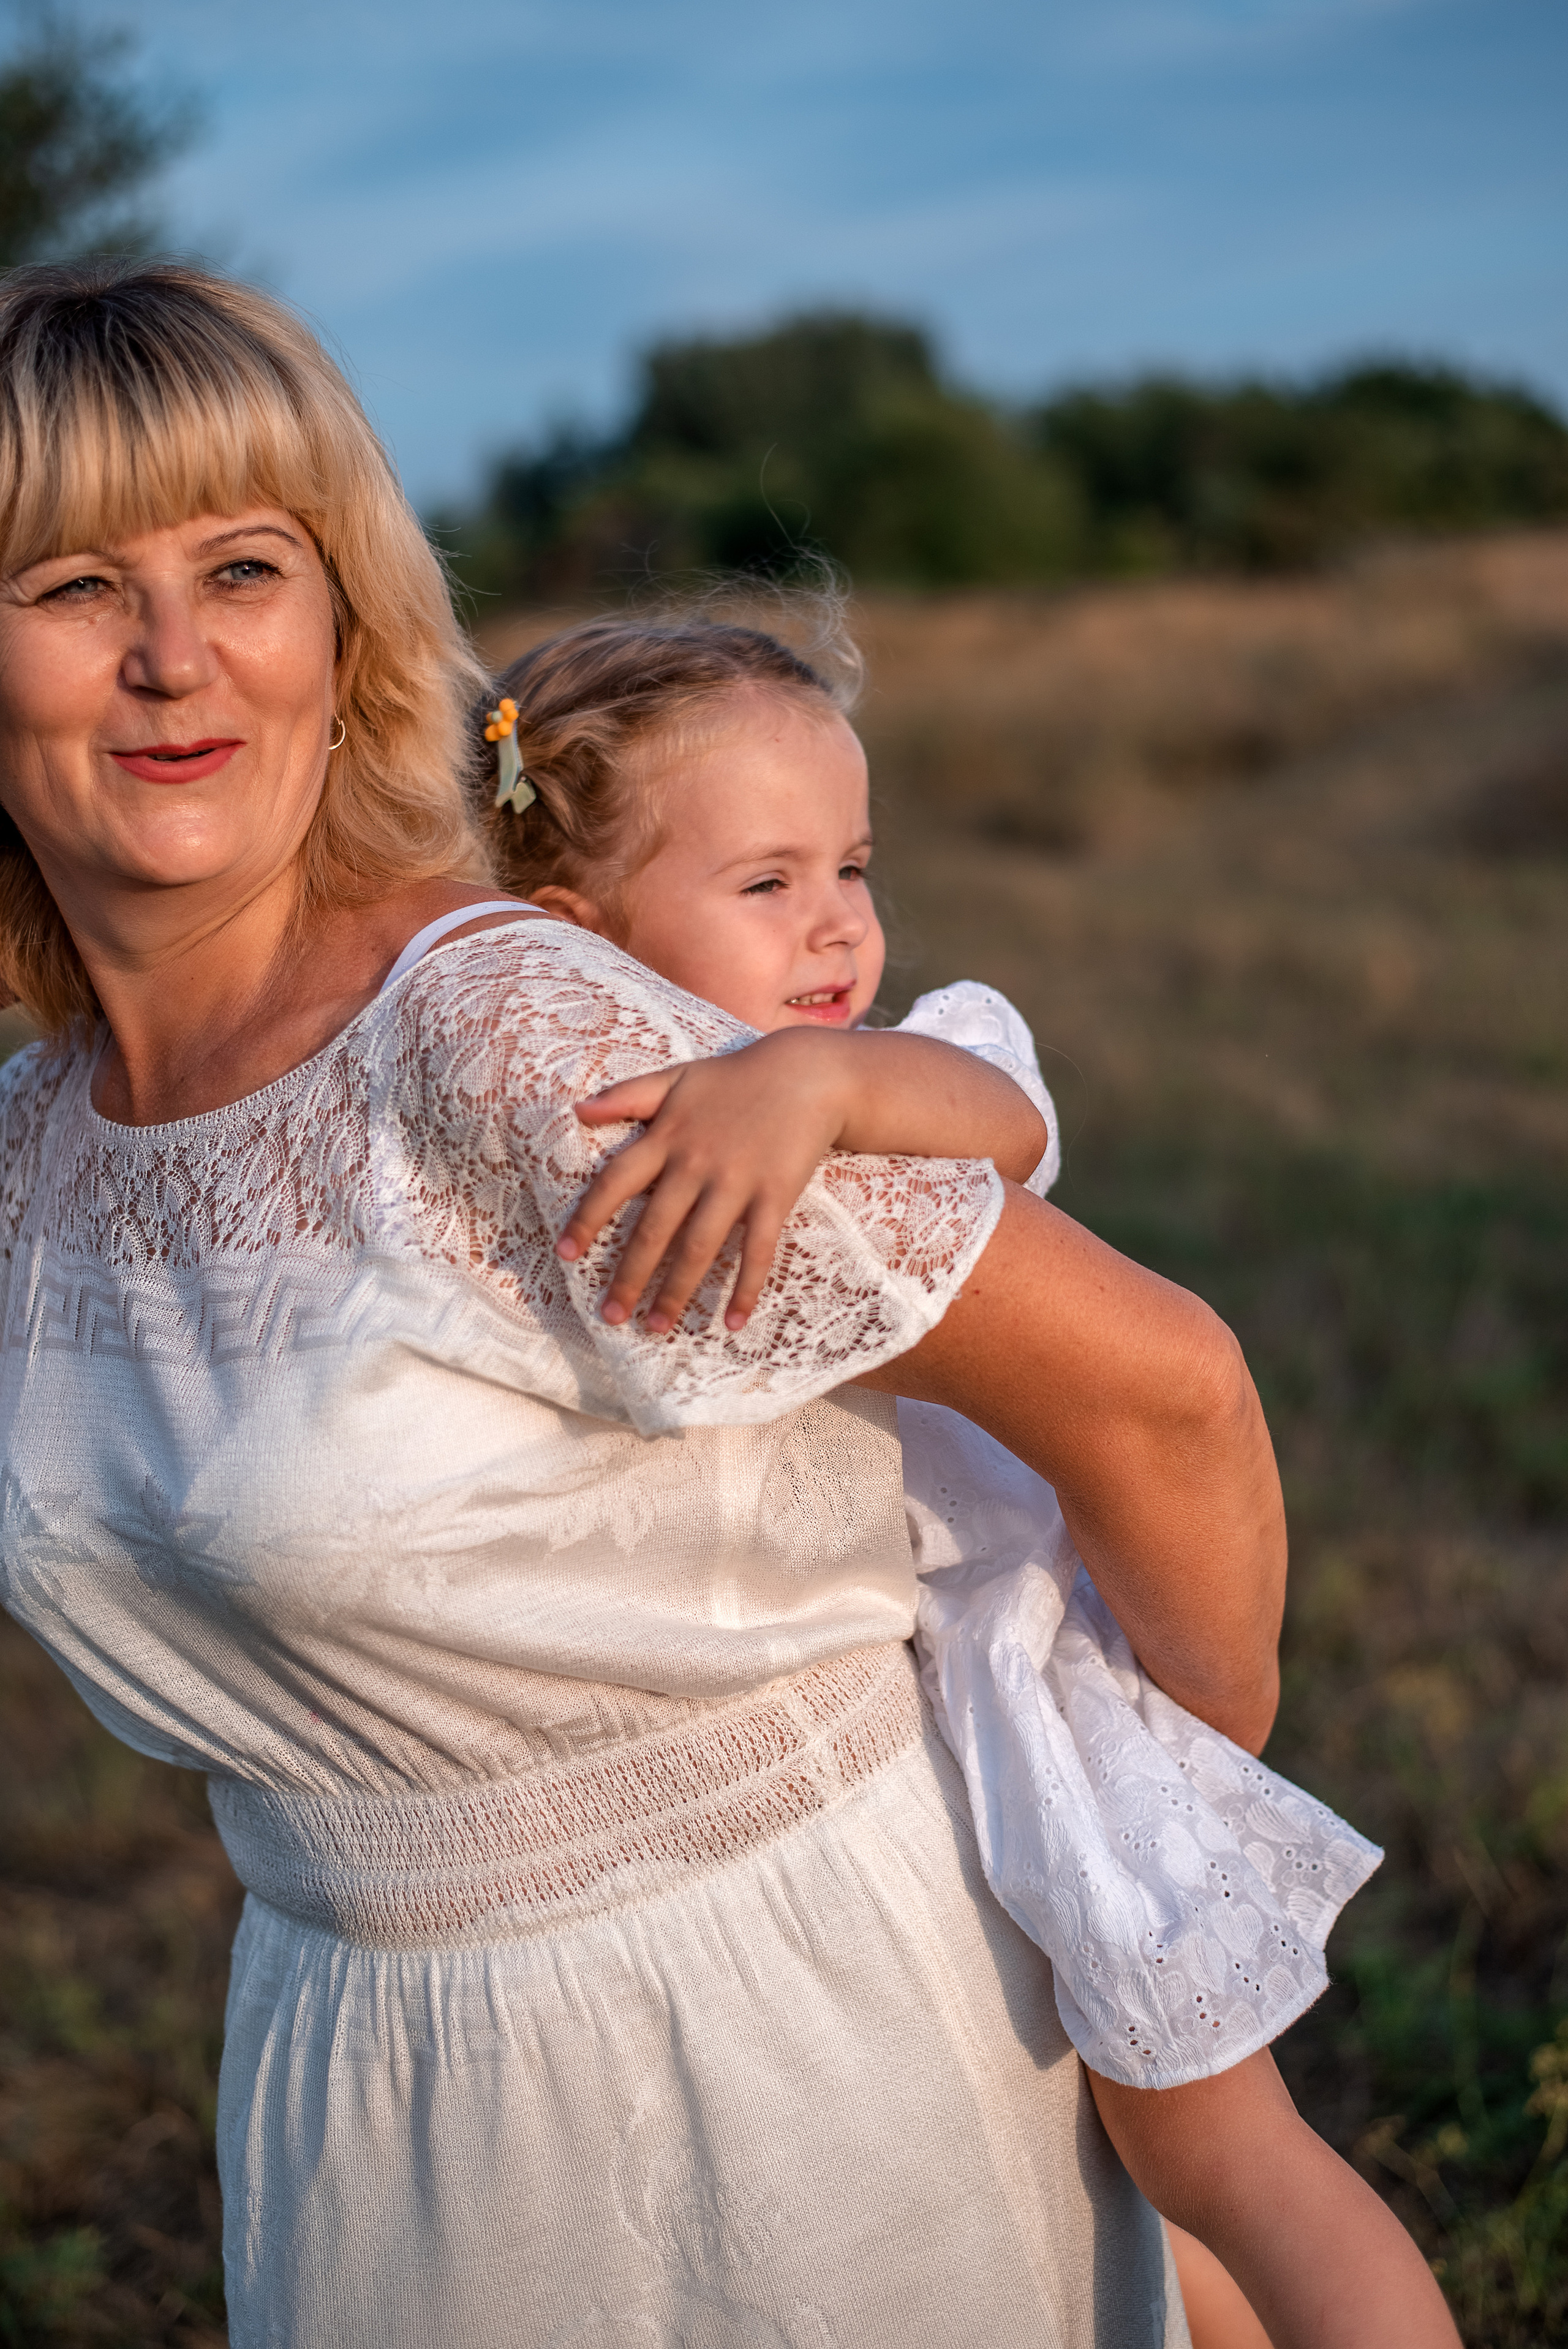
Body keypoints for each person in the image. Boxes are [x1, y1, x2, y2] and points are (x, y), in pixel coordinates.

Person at [0, 254, 1446, 2349]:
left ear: (341, 629)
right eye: (65, 586)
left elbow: (1165, 1388)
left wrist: (1162, 1755)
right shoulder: (35, 1149)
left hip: (777, 2045)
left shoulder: (496, 1033)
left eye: (242, 566)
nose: (169, 658)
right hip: (354, 2075)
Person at [469, 610, 1461, 2349]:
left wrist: (829, 1074)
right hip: (876, 1737)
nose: (840, 919)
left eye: (851, 863)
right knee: (1108, 2180)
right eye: (766, 882)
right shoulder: (572, 1120)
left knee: (1225, 2155)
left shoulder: (918, 1067)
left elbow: (1000, 1125)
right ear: (574, 942)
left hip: (1042, 1698)